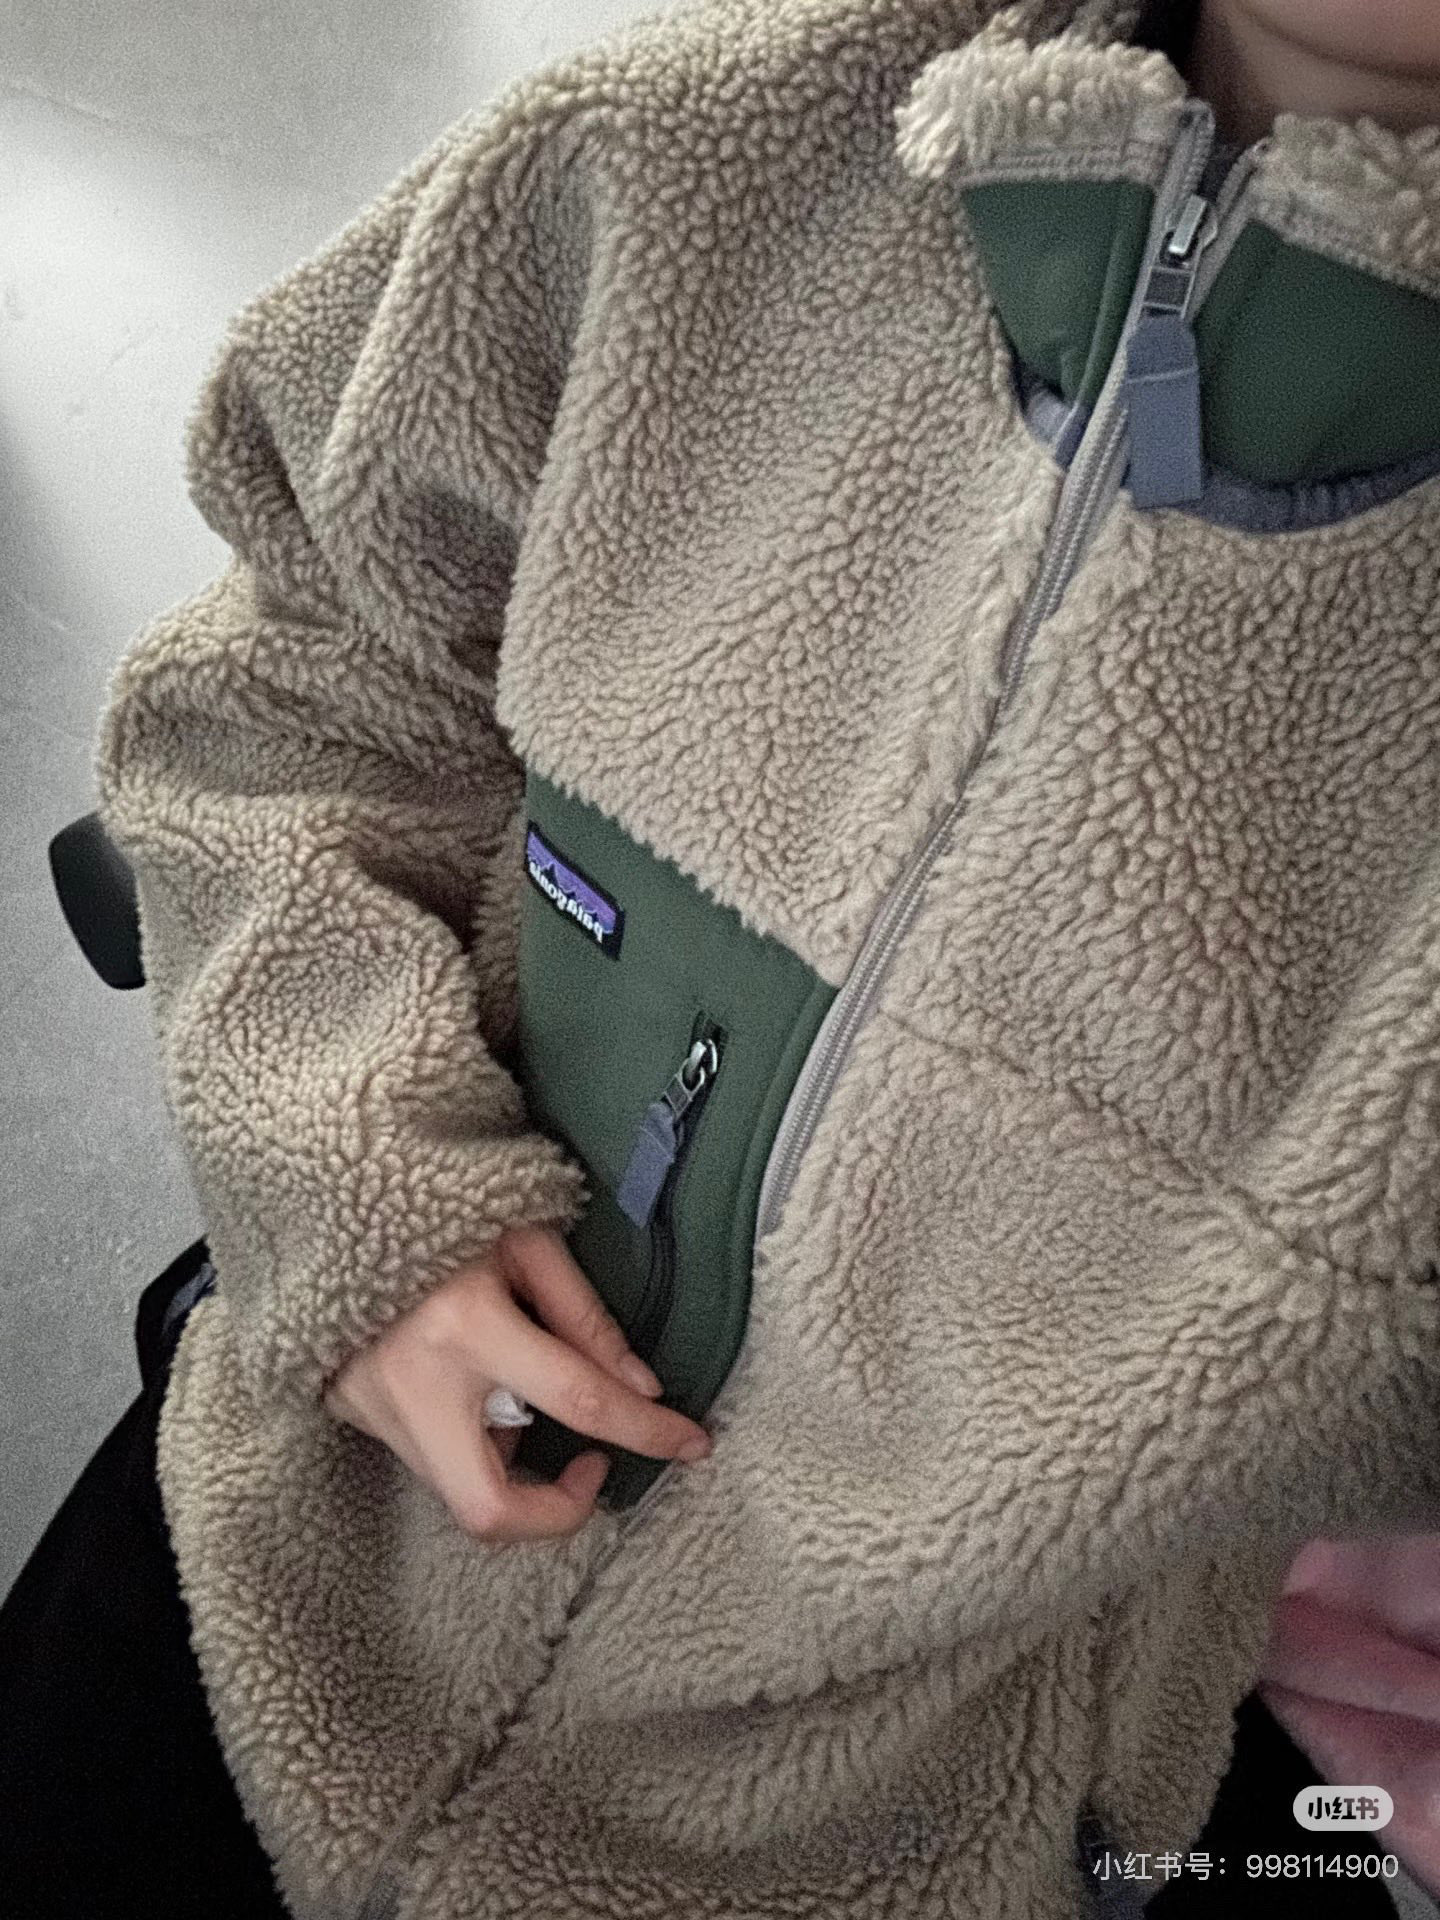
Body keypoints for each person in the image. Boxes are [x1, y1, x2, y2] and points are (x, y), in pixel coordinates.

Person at [4, 0, 1440, 1913]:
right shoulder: (669, 161)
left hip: (918, 1824)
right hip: (284, 1535)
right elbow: (291, 682)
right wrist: (353, 1191)